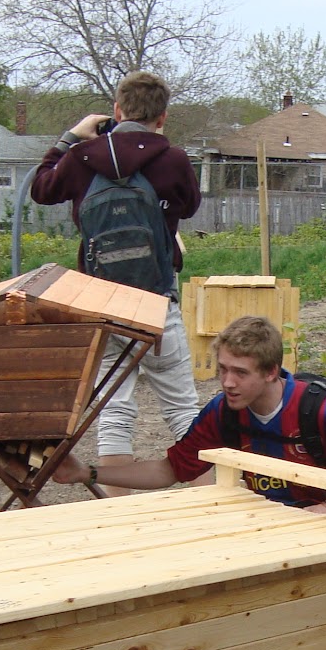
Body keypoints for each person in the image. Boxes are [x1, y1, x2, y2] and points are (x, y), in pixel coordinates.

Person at [53, 315, 326, 521]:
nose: (227, 382)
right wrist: (87, 472)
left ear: (270, 372)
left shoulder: (324, 411)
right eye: (222, 369)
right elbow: (170, 470)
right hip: (272, 524)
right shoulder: (224, 412)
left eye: (240, 372)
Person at [32, 70, 201, 486]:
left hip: (102, 303)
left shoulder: (81, 157)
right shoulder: (173, 158)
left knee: (115, 407)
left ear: (116, 110)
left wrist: (71, 137)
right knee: (182, 409)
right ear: (162, 117)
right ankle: (210, 502)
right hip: (157, 301)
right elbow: (190, 206)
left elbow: (41, 188)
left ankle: (118, 516)